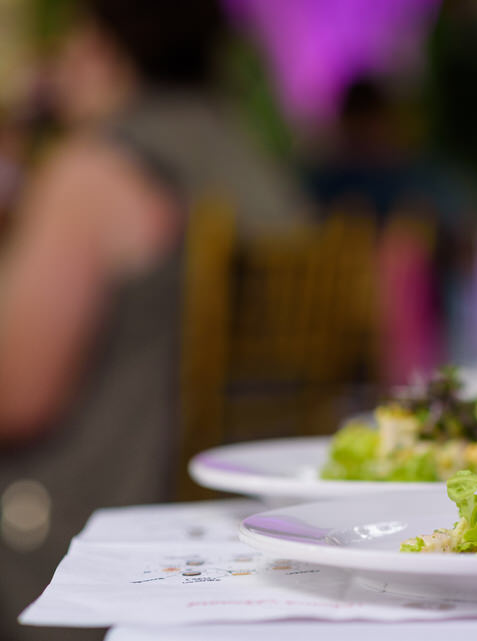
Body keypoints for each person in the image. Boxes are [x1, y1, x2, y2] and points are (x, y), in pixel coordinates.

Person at [0, 2, 303, 639]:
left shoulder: (94, 171)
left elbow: (16, 397)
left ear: (108, 48)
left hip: (86, 536)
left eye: (74, 39)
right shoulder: (255, 163)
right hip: (239, 527)